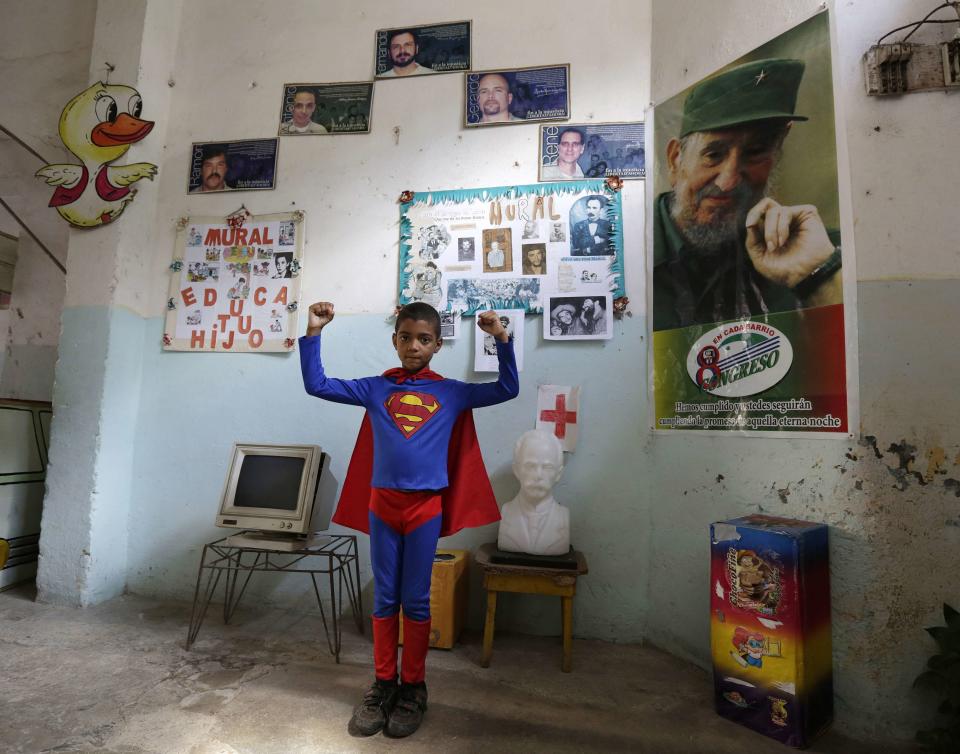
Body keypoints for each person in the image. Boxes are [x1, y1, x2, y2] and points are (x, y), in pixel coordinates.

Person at [300, 301, 518, 738]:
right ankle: (384, 684)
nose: (413, 346)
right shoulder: (376, 388)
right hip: (383, 507)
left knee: (416, 602)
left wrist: (501, 339)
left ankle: (413, 688)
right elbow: (317, 384)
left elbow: (507, 388)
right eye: (405, 337)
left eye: (423, 339)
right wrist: (314, 332)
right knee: (384, 600)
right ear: (394, 340)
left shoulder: (453, 392)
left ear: (438, 344)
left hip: (424, 510)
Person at [653, 58, 842, 331]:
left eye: (754, 153)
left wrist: (816, 276)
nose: (729, 181)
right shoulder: (625, 257)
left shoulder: (813, 250)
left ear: (775, 157)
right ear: (675, 160)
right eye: (713, 155)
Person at [497, 430, 569, 556]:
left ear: (558, 474)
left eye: (547, 467)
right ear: (517, 470)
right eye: (530, 466)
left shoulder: (563, 517)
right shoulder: (506, 512)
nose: (538, 476)